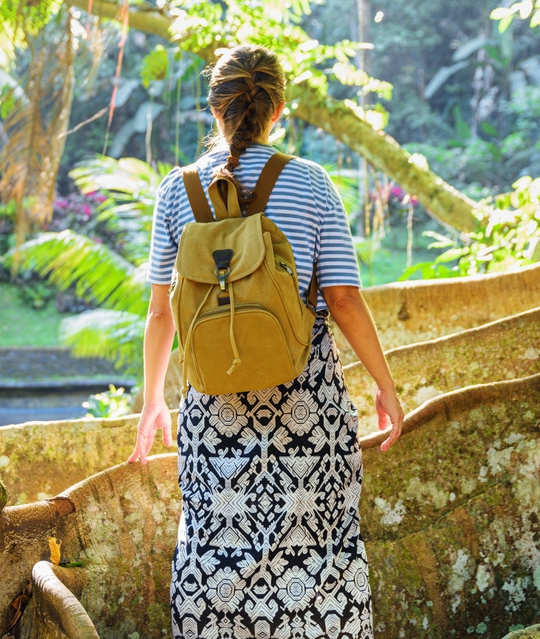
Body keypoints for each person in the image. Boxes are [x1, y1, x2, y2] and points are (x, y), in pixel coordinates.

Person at [128, 45, 405, 639]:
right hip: (307, 409)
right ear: (278, 109)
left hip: (214, 411)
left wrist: (154, 401)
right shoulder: (311, 184)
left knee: (215, 556)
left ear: (215, 108)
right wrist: (386, 387)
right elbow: (344, 300)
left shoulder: (177, 192)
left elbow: (160, 313)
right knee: (321, 557)